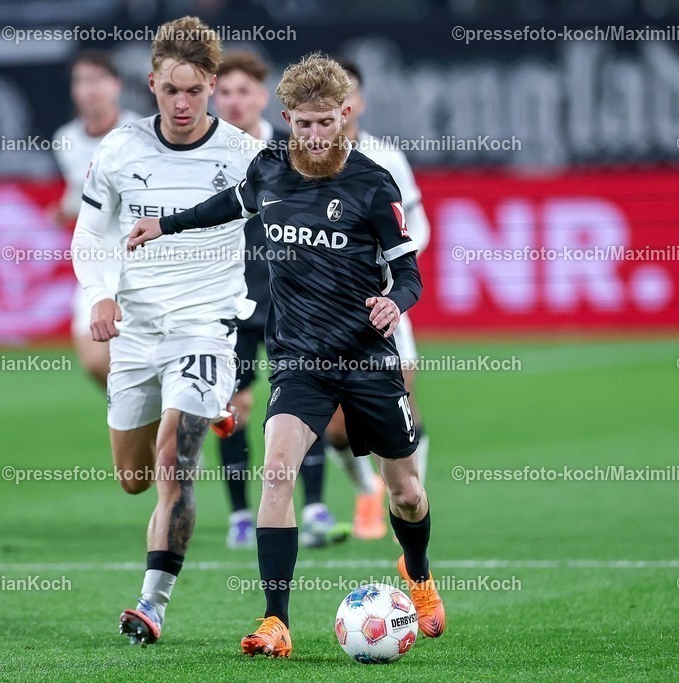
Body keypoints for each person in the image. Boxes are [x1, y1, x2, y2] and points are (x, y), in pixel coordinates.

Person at [128, 53, 445, 659]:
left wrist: (393, 304)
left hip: (366, 359)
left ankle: (419, 574)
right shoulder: (269, 168)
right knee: (278, 471)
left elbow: (409, 273)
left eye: (326, 122)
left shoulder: (375, 184)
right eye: (303, 124)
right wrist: (163, 225)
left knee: (404, 490)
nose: (314, 136)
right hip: (299, 357)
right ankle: (276, 621)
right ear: (287, 118)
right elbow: (226, 205)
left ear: (345, 115)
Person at [70, 16, 255, 646]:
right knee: (134, 477)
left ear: (211, 85)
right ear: (151, 83)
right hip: (136, 332)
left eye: (195, 90)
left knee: (176, 459)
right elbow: (90, 235)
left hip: (205, 326)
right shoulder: (119, 150)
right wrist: (99, 295)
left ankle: (151, 604)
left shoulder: (243, 155)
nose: (183, 104)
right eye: (171, 89)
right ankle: (212, 410)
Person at [211, 50, 342, 550]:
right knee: (234, 407)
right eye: (226, 92)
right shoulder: (208, 154)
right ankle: (242, 516)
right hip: (232, 298)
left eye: (245, 91)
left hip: (292, 298)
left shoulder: (297, 152)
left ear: (264, 98)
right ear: (215, 97)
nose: (235, 100)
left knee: (302, 401)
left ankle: (313, 508)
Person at [322, 59, 433, 540]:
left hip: (382, 304)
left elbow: (416, 224)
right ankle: (367, 487)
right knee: (337, 430)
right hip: (324, 314)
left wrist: (395, 265)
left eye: (348, 95)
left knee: (400, 408)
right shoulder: (299, 162)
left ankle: (408, 499)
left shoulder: (387, 159)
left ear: (358, 103)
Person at [52, 50, 139, 386]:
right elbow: (80, 192)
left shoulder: (138, 134)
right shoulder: (66, 140)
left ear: (115, 85)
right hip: (96, 260)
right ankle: (145, 414)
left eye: (97, 80)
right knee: (93, 360)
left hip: (139, 260)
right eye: (81, 81)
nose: (89, 90)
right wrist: (64, 209)